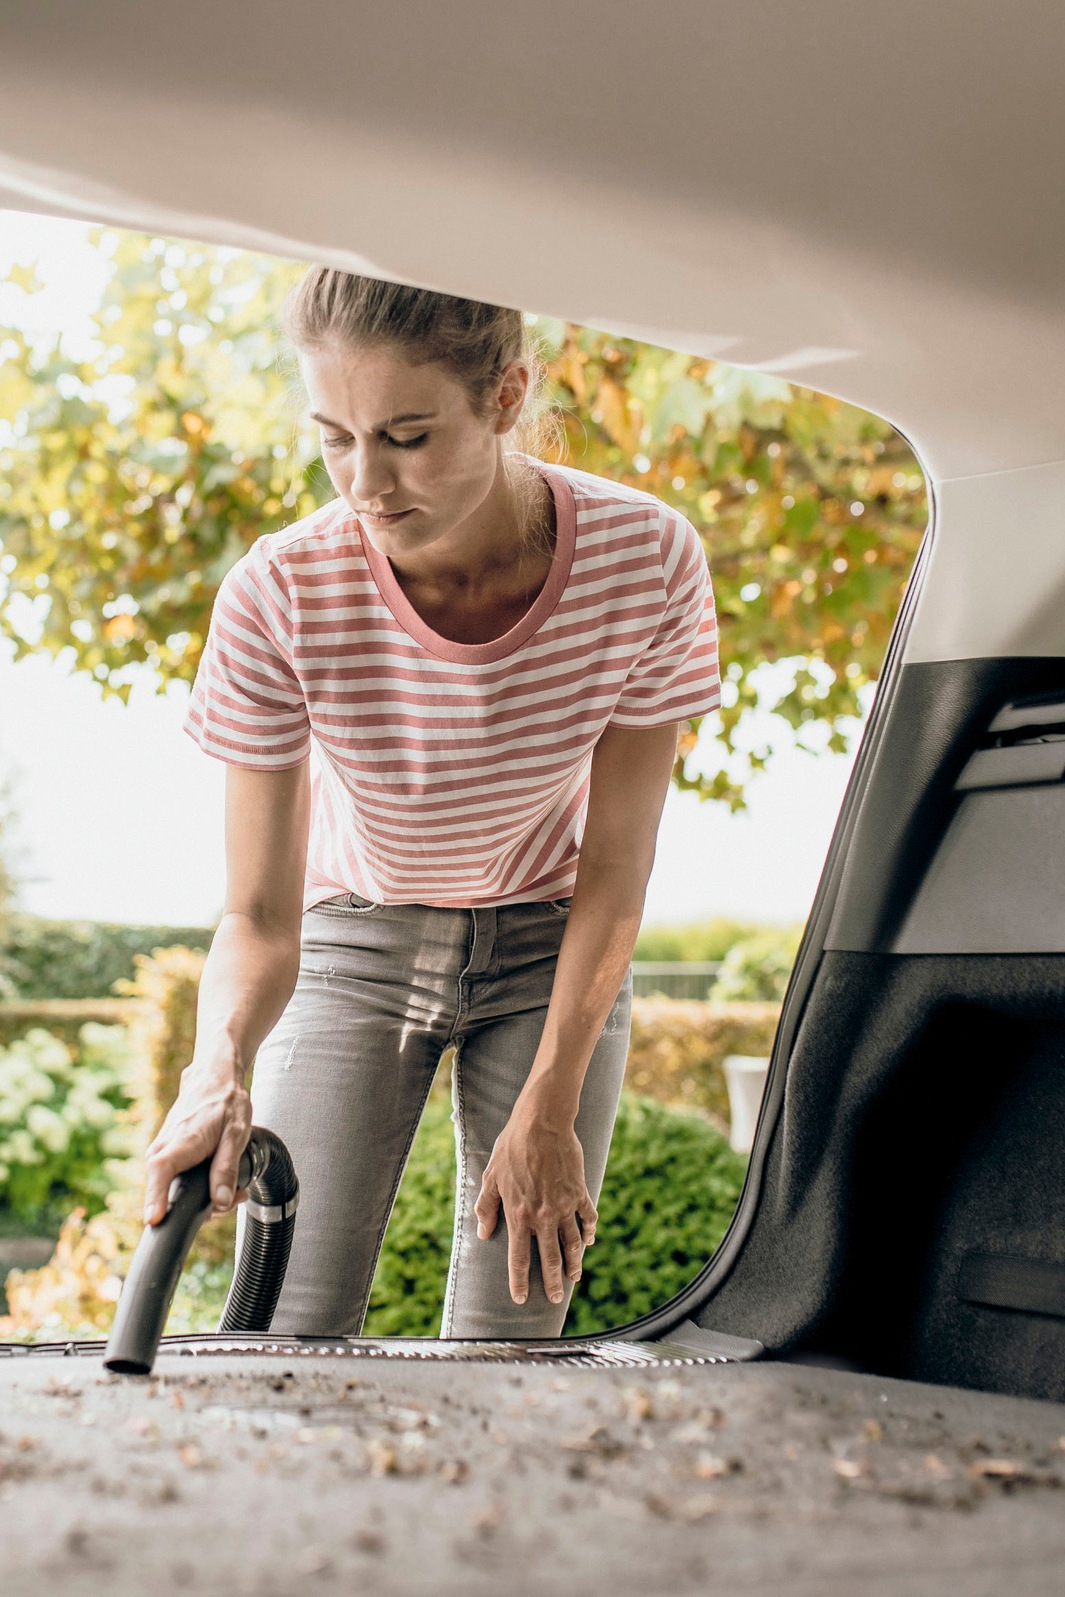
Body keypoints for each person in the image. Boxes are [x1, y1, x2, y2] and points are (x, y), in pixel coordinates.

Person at [142, 270, 720, 1337]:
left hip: (553, 942)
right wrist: (215, 1063)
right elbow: (261, 918)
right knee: (284, 1328)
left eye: (407, 435)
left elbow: (617, 867)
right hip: (354, 939)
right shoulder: (282, 593)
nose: (367, 481)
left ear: (505, 396)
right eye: (335, 437)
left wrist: (552, 1098)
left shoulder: (646, 561)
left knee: (513, 1336)